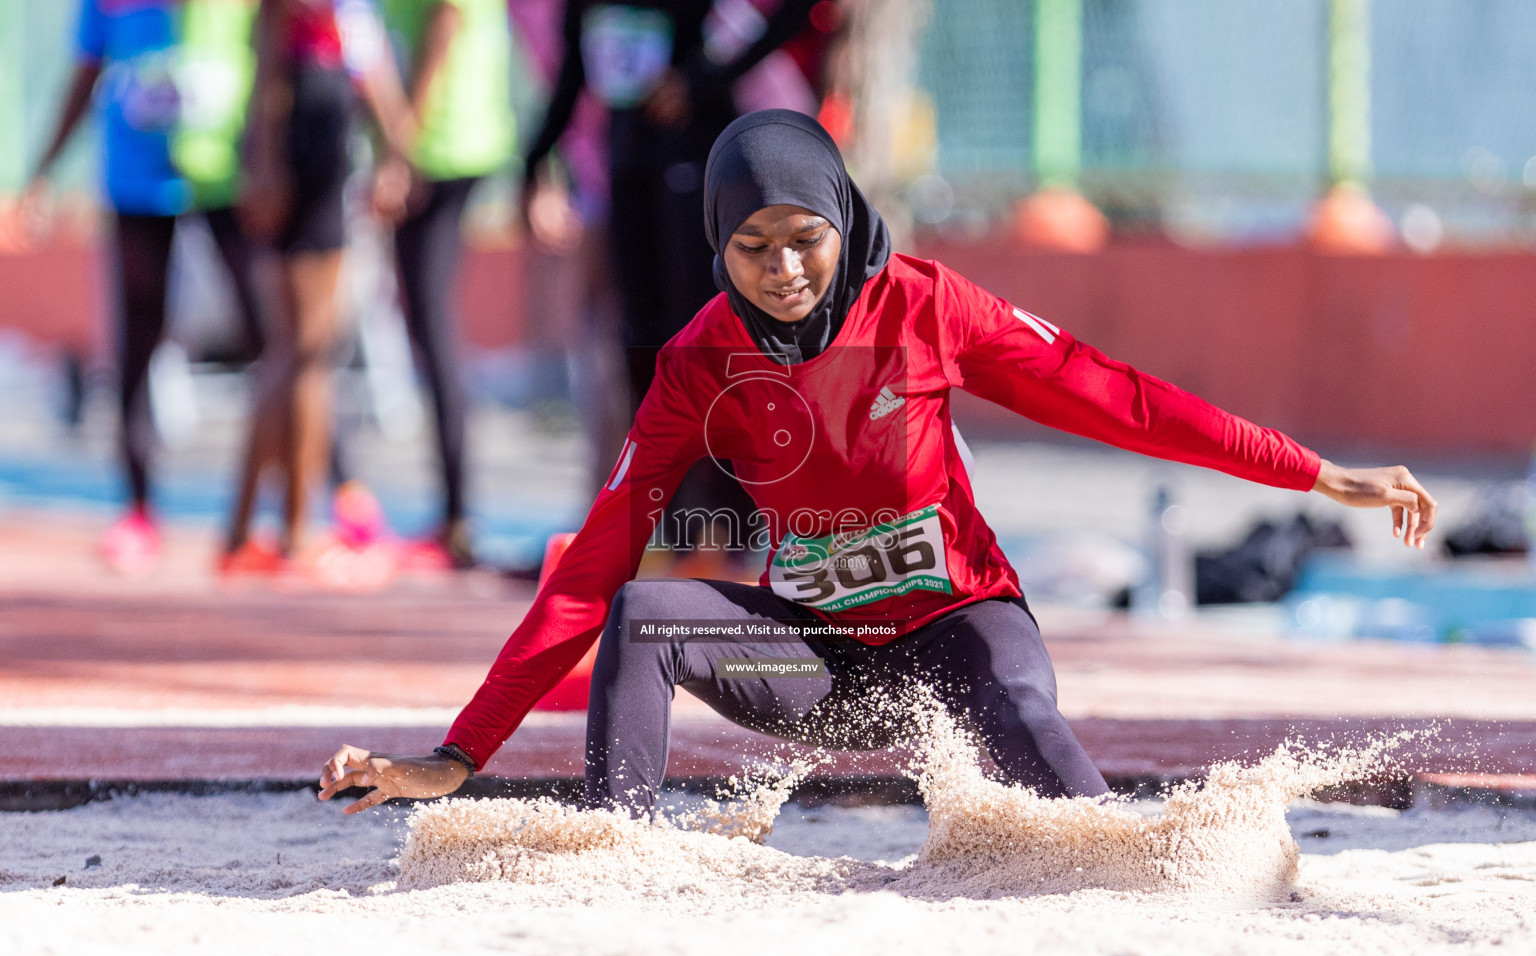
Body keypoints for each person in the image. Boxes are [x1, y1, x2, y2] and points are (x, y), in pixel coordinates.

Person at [319, 110, 1438, 815]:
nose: (784, 269)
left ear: (843, 217)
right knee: (646, 613)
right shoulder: (697, 363)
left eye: (804, 236)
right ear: (719, 249)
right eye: (750, 249)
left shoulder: (927, 307)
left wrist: (1315, 473)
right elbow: (589, 569)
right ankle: (620, 856)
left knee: (1034, 737)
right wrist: (459, 752)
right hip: (821, 668)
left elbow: (1117, 399)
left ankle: (1140, 860)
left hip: (962, 636)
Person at [521, 0, 820, 566]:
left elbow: (794, 13)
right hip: (628, 166)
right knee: (646, 349)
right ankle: (676, 533)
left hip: (701, 164)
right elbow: (574, 71)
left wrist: (700, 79)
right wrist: (533, 162)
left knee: (710, 345)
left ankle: (736, 533)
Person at [26, 0, 264, 575]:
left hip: (227, 171)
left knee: (273, 332)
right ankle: (136, 511)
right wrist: (42, 173)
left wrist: (271, 154)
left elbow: (274, 47)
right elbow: (85, 71)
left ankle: (329, 494)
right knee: (137, 337)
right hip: (136, 179)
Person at [220, 0, 411, 572]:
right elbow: (266, 79)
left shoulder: (343, 18)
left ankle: (245, 530)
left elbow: (374, 78)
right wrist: (264, 165)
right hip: (302, 167)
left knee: (296, 352)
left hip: (319, 161)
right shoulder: (290, 19)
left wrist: (395, 152)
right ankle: (295, 531)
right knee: (305, 354)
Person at [371, 0, 516, 568]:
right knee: (429, 327)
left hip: (442, 144)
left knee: (433, 328)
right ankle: (454, 515)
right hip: (453, 136)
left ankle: (458, 518)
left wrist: (400, 149)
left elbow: (443, 26)